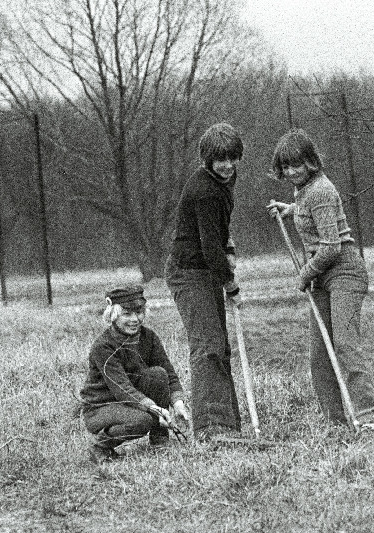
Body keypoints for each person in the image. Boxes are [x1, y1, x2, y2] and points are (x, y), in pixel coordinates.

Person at [267, 129, 374, 435]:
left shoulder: (320, 190)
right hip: (322, 274)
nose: (292, 172)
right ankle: (335, 422)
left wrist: (305, 273)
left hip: (343, 270)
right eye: (286, 167)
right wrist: (290, 210)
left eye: (298, 165)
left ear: (311, 162)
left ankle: (369, 417)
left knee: (345, 344)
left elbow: (330, 246)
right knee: (319, 354)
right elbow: (313, 216)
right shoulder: (304, 191)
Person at [165, 122, 244, 442]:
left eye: (231, 158)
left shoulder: (225, 181)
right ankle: (211, 429)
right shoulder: (204, 191)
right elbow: (209, 245)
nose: (226, 165)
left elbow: (218, 233)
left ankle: (227, 424)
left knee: (220, 347)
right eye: (219, 160)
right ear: (207, 160)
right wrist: (231, 285)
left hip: (208, 268)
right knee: (207, 347)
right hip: (189, 272)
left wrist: (230, 248)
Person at [80, 285, 190, 463]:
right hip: (101, 407)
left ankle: (160, 440)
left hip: (130, 401)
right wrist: (154, 408)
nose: (135, 319)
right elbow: (121, 388)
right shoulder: (103, 346)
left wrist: (178, 403)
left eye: (139, 312)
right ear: (113, 315)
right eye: (127, 314)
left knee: (158, 374)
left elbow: (168, 372)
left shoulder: (149, 337)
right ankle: (99, 445)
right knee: (143, 421)